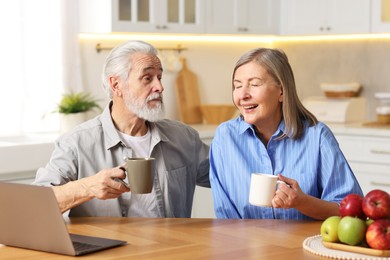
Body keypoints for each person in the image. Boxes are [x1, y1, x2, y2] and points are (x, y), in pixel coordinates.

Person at [33, 40, 210, 218]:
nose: (160, 87)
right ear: (116, 85)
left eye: (159, 77)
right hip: (110, 246)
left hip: (172, 245)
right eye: (147, 78)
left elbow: (229, 177)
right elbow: (35, 204)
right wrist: (87, 187)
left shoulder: (183, 137)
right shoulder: (76, 143)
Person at [209, 48, 363, 220]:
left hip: (305, 244)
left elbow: (352, 211)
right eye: (237, 86)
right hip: (245, 245)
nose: (243, 95)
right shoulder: (225, 138)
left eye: (254, 84)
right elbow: (225, 215)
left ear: (281, 91)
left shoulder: (317, 137)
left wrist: (302, 202)